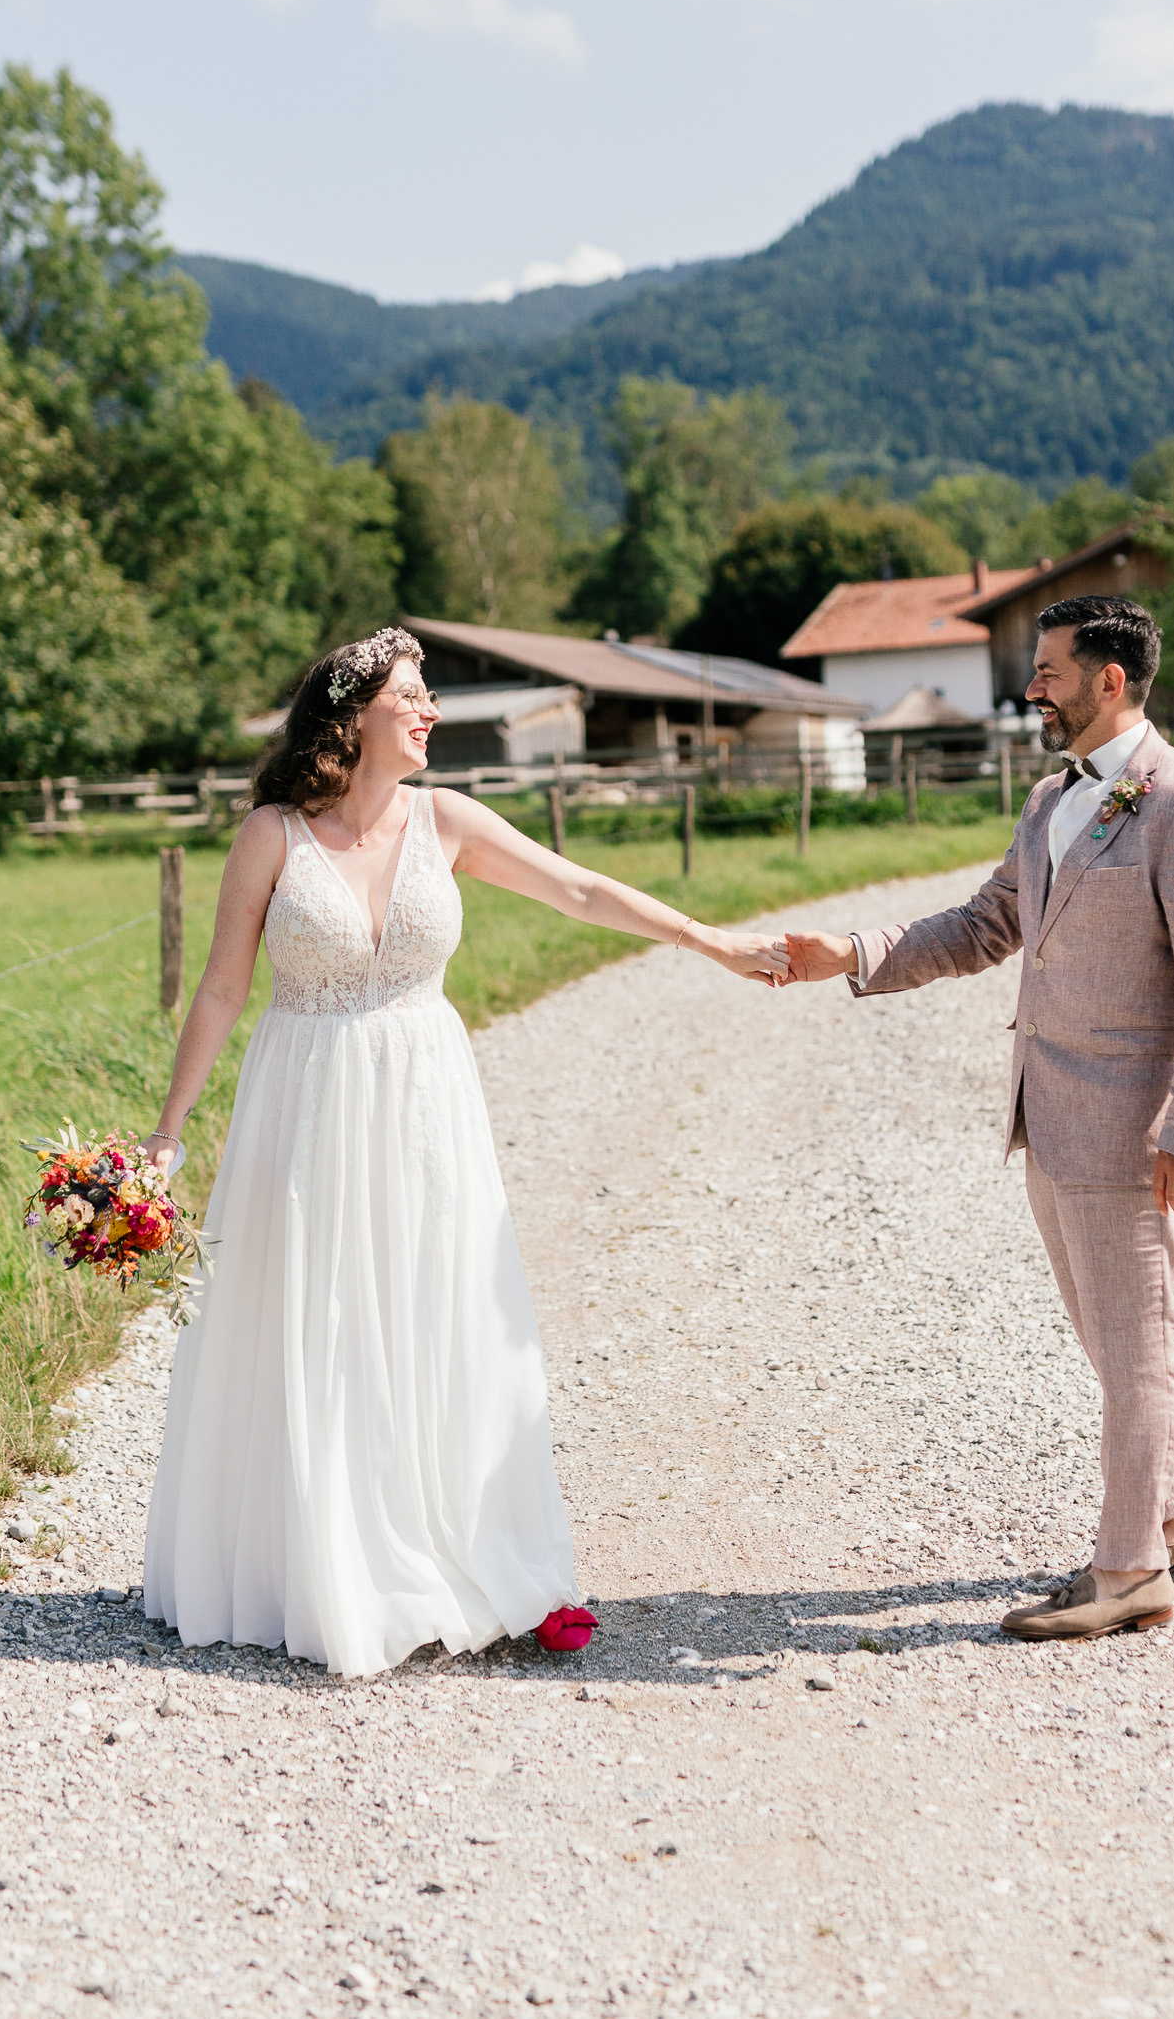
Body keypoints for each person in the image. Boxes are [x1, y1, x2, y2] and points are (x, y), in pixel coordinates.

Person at [141, 627, 786, 1679]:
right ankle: (315, 1568)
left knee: (436, 1316)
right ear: (351, 720)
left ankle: (495, 1562)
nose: (432, 708)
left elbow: (578, 890)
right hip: (303, 1105)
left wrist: (710, 941)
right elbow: (220, 989)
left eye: (428, 691)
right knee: (318, 1319)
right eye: (413, 693)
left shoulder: (447, 820)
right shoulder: (270, 836)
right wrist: (165, 1139)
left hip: (425, 1106)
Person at [779, 597, 1174, 1642]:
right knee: (1115, 1337)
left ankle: (1130, 1569)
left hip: (1136, 1133)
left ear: (1109, 681)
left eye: (1047, 670)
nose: (1030, 687)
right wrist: (853, 952)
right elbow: (985, 923)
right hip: (1050, 1118)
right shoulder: (1053, 800)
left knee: (1134, 1349)